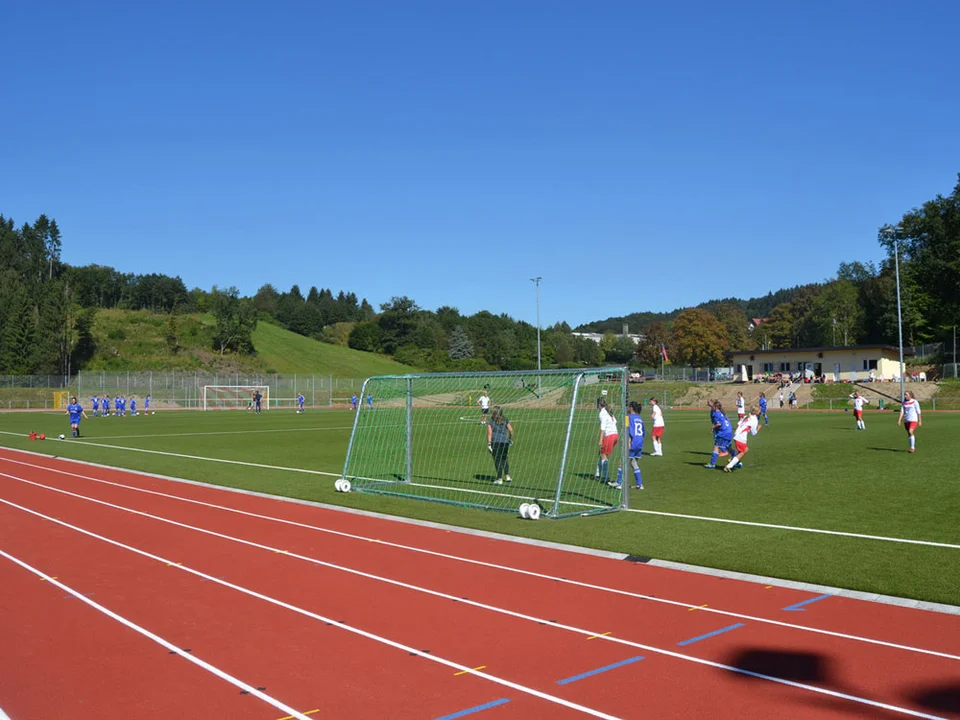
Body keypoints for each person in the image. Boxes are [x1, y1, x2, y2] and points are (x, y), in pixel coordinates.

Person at [724, 406, 760, 472]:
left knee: (745, 450)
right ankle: (729, 466)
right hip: (741, 437)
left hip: (736, 435)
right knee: (743, 451)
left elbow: (738, 424)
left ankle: (732, 459)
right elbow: (754, 433)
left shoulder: (746, 416)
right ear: (757, 412)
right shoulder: (755, 420)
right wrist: (758, 428)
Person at [486, 406, 514, 485]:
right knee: (504, 459)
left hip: (496, 443)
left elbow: (489, 433)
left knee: (497, 460)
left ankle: (499, 478)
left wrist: (489, 444)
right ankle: (508, 476)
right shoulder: (505, 420)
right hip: (505, 442)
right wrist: (510, 439)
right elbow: (511, 430)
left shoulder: (491, 421)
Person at [622, 401, 645, 489]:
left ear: (631, 408)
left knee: (622, 461)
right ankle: (639, 484)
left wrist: (628, 442)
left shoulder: (628, 418)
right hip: (639, 443)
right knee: (633, 462)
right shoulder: (639, 418)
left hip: (632, 442)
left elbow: (629, 431)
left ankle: (619, 483)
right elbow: (643, 432)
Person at [595, 397, 619, 482]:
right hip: (615, 435)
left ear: (598, 405)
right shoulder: (609, 412)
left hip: (609, 435)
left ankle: (606, 477)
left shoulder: (602, 413)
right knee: (601, 453)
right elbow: (615, 422)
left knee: (604, 455)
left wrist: (600, 439)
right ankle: (597, 474)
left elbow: (603, 427)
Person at [705, 401, 733, 469]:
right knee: (729, 447)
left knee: (716, 447)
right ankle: (737, 461)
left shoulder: (717, 413)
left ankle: (712, 464)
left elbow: (719, 424)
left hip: (723, 433)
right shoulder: (722, 412)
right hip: (729, 432)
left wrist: (713, 427)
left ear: (716, 407)